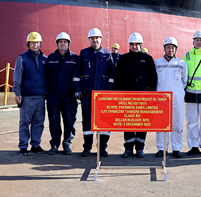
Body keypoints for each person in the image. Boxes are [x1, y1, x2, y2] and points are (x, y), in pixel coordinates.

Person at [114, 32, 158, 158]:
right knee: (127, 122)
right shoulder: (123, 59)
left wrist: (151, 95)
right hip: (126, 98)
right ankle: (128, 148)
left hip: (143, 98)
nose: (134, 46)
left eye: (137, 44)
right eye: (132, 44)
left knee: (142, 123)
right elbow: (117, 77)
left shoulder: (148, 59)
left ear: (141, 45)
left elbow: (153, 78)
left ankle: (140, 148)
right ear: (129, 45)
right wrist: (118, 94)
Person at [73, 28, 115, 157]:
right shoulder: (84, 53)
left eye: (97, 38)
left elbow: (112, 76)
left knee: (105, 121)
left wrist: (110, 93)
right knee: (87, 120)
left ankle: (102, 148)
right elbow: (77, 73)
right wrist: (77, 89)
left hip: (103, 95)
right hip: (87, 94)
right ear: (89, 40)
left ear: (101, 39)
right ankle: (87, 148)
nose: (95, 40)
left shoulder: (107, 54)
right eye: (92, 38)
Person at [13, 32, 48, 156]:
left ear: (40, 44)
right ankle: (23, 146)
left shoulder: (44, 59)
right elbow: (17, 76)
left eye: (37, 43)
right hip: (27, 97)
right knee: (24, 122)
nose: (35, 45)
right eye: (33, 43)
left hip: (41, 97)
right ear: (28, 44)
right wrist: (17, 93)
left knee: (39, 123)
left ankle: (36, 145)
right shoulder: (22, 58)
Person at [155, 37, 188, 158]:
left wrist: (178, 91)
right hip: (161, 98)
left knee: (177, 123)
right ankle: (161, 148)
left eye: (173, 47)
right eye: (168, 47)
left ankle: (176, 148)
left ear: (176, 49)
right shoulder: (157, 63)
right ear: (164, 48)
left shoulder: (181, 63)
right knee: (161, 123)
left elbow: (184, 81)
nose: (170, 50)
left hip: (177, 98)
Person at [46, 32, 78, 155]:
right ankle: (54, 145)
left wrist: (77, 91)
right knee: (54, 121)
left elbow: (78, 76)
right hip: (53, 95)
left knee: (69, 121)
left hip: (69, 96)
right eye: (60, 41)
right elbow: (46, 76)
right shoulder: (51, 57)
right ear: (57, 44)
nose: (62, 43)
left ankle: (67, 144)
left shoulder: (75, 58)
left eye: (65, 41)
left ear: (68, 43)